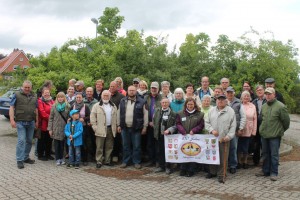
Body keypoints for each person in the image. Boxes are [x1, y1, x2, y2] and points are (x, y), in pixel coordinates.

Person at [256, 87, 290, 181]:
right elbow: (262, 119)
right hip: (264, 135)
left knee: (274, 154)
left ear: (274, 95)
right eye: (266, 94)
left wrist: (280, 131)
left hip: (275, 136)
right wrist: (261, 130)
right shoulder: (264, 106)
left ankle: (274, 172)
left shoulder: (281, 106)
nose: (268, 95)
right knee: (265, 153)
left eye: (270, 94)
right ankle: (265, 171)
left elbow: (286, 122)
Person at [205, 94, 236, 183]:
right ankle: (212, 172)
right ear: (216, 101)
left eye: (222, 100)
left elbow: (233, 126)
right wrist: (211, 130)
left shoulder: (230, 111)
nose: (220, 101)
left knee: (223, 158)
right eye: (218, 100)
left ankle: (222, 175)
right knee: (212, 156)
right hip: (212, 138)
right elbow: (206, 122)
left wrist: (229, 136)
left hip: (224, 138)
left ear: (226, 101)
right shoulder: (211, 110)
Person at [117, 86, 148, 169]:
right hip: (124, 127)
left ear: (136, 91)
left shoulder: (142, 101)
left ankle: (136, 162)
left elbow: (145, 115)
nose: (131, 92)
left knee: (137, 146)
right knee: (125, 146)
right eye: (130, 90)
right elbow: (119, 113)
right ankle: (125, 161)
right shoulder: (123, 101)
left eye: (133, 90)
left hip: (137, 128)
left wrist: (145, 127)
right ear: (127, 91)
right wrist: (118, 125)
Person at [9, 80, 38, 169]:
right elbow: (11, 107)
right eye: (25, 87)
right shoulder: (16, 95)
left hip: (31, 122)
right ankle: (19, 160)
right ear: (22, 87)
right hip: (20, 122)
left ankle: (26, 157)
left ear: (31, 88)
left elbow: (36, 109)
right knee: (21, 140)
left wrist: (37, 120)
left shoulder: (34, 95)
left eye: (28, 87)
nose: (27, 89)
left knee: (29, 140)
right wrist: (11, 120)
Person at [176, 98, 204, 177]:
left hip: (195, 137)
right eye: (188, 104)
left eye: (191, 104)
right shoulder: (180, 113)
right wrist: (183, 131)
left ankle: (191, 170)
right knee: (184, 152)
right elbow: (178, 123)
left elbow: (201, 125)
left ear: (194, 104)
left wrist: (194, 130)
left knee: (193, 154)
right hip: (183, 137)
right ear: (186, 105)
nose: (190, 106)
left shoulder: (200, 114)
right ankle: (183, 169)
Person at [90, 90, 117, 168]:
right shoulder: (96, 105)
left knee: (109, 146)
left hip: (110, 129)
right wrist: (95, 127)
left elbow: (116, 118)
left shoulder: (113, 106)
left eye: (107, 95)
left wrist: (115, 127)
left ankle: (107, 161)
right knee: (99, 146)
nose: (106, 97)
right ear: (101, 96)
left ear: (110, 96)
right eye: (104, 95)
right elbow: (92, 117)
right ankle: (99, 161)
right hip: (100, 129)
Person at [153, 97, 177, 174]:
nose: (164, 104)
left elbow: (176, 125)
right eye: (163, 103)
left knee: (168, 151)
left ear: (169, 103)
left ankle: (168, 167)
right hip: (159, 135)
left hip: (169, 136)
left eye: (166, 102)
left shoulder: (173, 113)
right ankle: (161, 166)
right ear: (161, 103)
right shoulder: (157, 111)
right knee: (160, 151)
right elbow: (154, 121)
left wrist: (169, 130)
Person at [226, 86, 246, 174]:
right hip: (224, 130)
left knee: (233, 148)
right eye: (228, 92)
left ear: (234, 93)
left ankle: (233, 165)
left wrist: (241, 128)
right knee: (224, 148)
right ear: (226, 93)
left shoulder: (238, 103)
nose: (230, 94)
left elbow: (243, 117)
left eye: (231, 92)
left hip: (234, 130)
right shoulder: (222, 101)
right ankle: (224, 165)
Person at [48, 92, 70, 165]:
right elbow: (51, 118)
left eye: (62, 97)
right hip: (56, 128)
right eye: (59, 97)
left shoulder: (67, 106)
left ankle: (62, 158)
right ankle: (57, 158)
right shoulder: (54, 106)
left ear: (64, 98)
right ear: (57, 98)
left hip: (64, 128)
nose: (60, 98)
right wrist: (50, 129)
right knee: (56, 144)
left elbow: (69, 118)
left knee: (63, 144)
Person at [237, 91, 257, 169]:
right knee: (238, 147)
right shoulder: (239, 105)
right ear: (241, 97)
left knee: (246, 147)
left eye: (247, 96)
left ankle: (245, 161)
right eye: (244, 96)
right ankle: (239, 162)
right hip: (239, 129)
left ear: (250, 97)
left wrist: (254, 131)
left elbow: (255, 119)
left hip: (249, 129)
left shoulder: (253, 106)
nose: (246, 97)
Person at [144, 82, 162, 166]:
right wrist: (148, 122)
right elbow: (144, 110)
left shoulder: (162, 98)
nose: (153, 89)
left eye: (155, 88)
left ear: (158, 89)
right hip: (149, 124)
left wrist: (156, 123)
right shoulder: (146, 97)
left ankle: (158, 161)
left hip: (158, 125)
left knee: (157, 144)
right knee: (149, 144)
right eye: (152, 88)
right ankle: (151, 160)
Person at [71, 93, 90, 165]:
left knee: (83, 143)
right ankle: (75, 159)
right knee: (75, 143)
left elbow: (89, 116)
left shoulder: (86, 106)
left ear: (82, 98)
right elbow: (69, 115)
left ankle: (84, 159)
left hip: (83, 127)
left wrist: (84, 118)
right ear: (75, 98)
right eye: (77, 97)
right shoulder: (73, 106)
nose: (78, 99)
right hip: (74, 128)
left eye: (80, 97)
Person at [109, 81, 125, 162]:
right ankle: (109, 155)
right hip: (108, 122)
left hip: (117, 121)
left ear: (117, 87)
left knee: (117, 140)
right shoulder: (106, 95)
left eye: (113, 86)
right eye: (110, 86)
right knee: (108, 139)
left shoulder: (121, 97)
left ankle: (116, 155)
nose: (112, 88)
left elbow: (122, 110)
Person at [37, 87, 54, 161]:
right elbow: (42, 113)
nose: (47, 94)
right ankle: (40, 155)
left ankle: (48, 154)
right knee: (42, 140)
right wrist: (51, 118)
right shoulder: (40, 101)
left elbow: (55, 109)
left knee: (49, 139)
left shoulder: (52, 101)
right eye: (45, 93)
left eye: (48, 92)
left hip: (50, 124)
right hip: (43, 124)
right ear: (42, 93)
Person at [252, 85, 267, 165]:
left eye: (261, 90)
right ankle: (256, 161)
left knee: (264, 145)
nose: (259, 91)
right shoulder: (254, 102)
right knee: (256, 144)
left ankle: (265, 161)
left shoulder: (267, 100)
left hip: (265, 126)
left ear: (264, 90)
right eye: (257, 90)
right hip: (256, 126)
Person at [83, 87, 98, 162]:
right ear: (86, 92)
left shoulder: (96, 102)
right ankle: (86, 157)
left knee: (93, 141)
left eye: (90, 91)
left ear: (92, 92)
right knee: (85, 141)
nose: (89, 93)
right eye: (87, 91)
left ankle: (93, 155)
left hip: (93, 124)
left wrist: (92, 122)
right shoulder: (82, 101)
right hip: (84, 124)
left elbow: (97, 114)